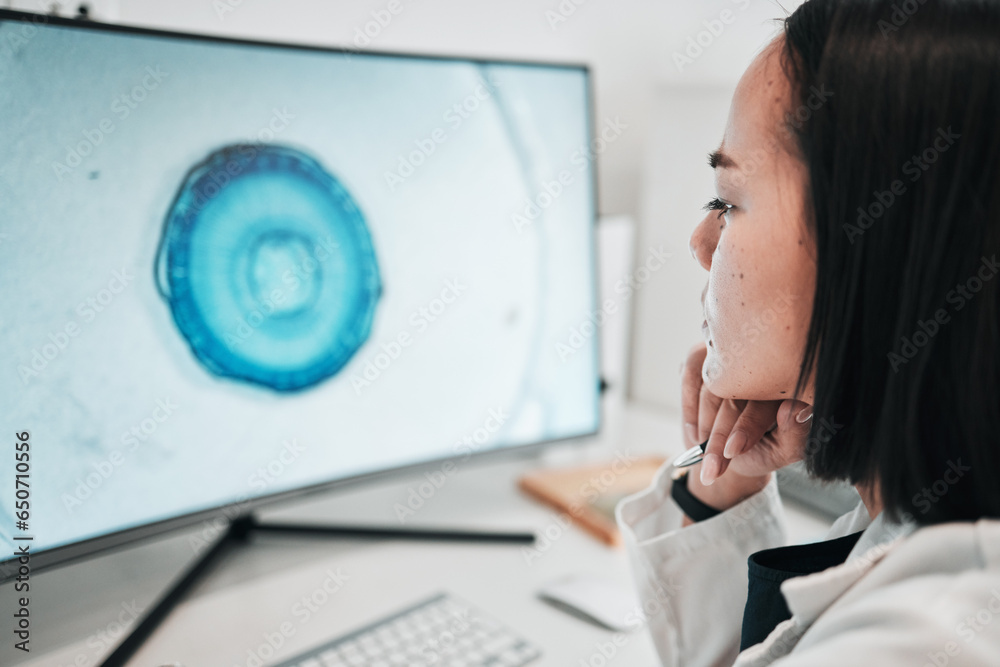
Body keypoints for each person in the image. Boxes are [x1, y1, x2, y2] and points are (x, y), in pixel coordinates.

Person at [615, 0, 1000, 664]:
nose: (702, 241)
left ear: (876, 240)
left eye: (727, 201)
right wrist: (718, 481)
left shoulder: (922, 641)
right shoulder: (922, 517)